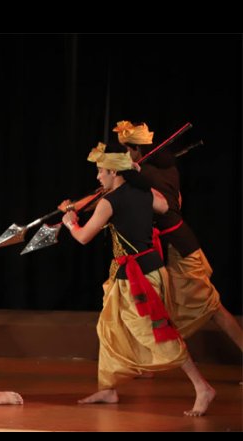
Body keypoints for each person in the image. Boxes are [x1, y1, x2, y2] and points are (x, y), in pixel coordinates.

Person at [59, 142, 215, 416]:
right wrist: (139, 180)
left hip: (138, 278)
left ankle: (202, 387)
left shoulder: (108, 202)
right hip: (144, 271)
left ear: (114, 172)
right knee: (108, 328)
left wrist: (71, 222)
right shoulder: (145, 193)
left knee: (155, 333)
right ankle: (108, 388)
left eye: (101, 171)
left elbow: (83, 237)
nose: (98, 176)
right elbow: (165, 206)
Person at [113, 120, 242, 351]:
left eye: (125, 150)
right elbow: (178, 200)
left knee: (213, 308)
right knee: (161, 309)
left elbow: (162, 205)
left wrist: (133, 178)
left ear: (136, 149)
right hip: (174, 245)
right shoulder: (167, 169)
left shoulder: (146, 175)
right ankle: (156, 362)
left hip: (179, 248)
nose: (124, 155)